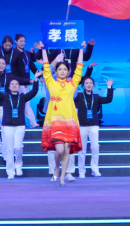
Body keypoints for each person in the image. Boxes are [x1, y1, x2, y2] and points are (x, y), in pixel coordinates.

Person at [0, 69, 42, 179]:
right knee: (9, 149)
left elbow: (34, 92)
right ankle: (10, 171)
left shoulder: (22, 97)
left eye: (16, 84)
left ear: (18, 86)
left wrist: (36, 79)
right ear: (9, 87)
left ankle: (18, 166)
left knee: (18, 147)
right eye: (12, 84)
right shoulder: (4, 97)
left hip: (20, 126)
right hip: (7, 126)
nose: (14, 86)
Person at [40, 47, 84, 187]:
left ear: (68, 71)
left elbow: (79, 68)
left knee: (66, 151)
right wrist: (43, 50)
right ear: (56, 71)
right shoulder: (51, 83)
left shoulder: (72, 84)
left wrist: (81, 49)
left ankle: (62, 177)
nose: (63, 71)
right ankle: (56, 168)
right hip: (55, 122)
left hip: (69, 122)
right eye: (60, 69)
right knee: (59, 150)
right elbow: (46, 68)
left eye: (65, 69)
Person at [75, 74, 113, 178]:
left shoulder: (96, 97)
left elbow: (108, 100)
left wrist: (109, 87)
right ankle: (81, 171)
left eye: (91, 83)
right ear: (83, 85)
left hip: (94, 125)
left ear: (93, 85)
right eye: (86, 83)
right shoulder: (79, 96)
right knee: (81, 149)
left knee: (95, 147)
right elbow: (69, 99)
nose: (89, 84)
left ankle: (95, 169)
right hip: (82, 125)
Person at [11, 34, 40, 128]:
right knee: (24, 102)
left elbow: (32, 66)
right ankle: (32, 123)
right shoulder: (13, 53)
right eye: (20, 41)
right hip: (17, 82)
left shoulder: (27, 53)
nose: (22, 43)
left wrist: (39, 76)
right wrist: (24, 81)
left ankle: (24, 122)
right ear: (15, 42)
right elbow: (15, 70)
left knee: (23, 102)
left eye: (24, 41)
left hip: (26, 82)